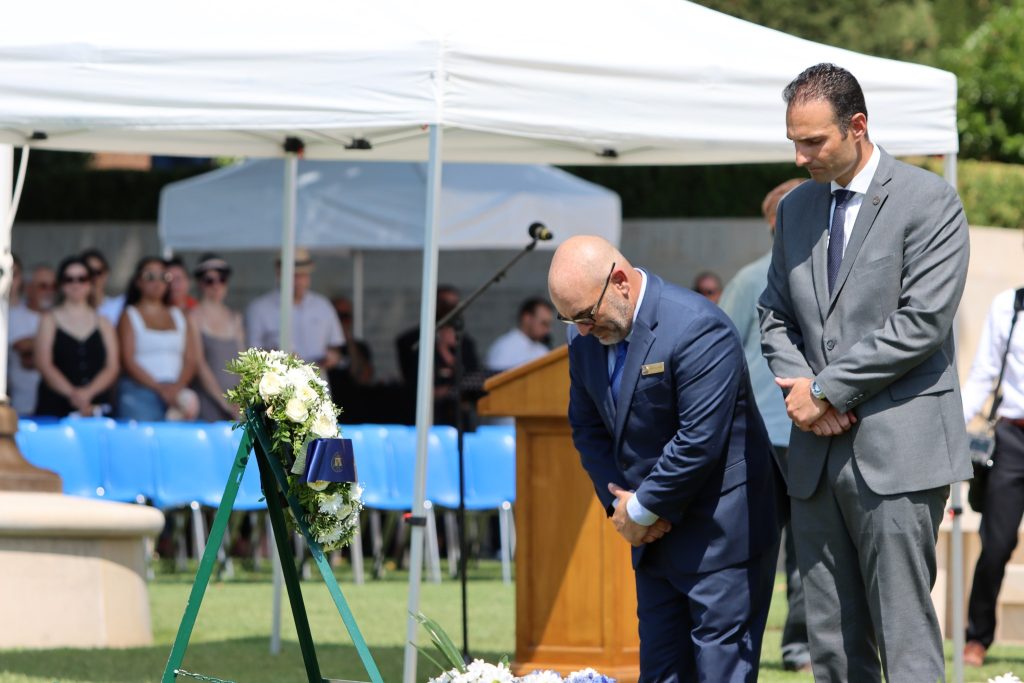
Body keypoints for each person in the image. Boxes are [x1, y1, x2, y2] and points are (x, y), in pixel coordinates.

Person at [758, 63, 971, 682]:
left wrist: (823, 390)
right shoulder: (797, 209)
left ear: (857, 126)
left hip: (900, 456)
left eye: (813, 141)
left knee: (904, 638)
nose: (800, 157)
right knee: (831, 645)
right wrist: (803, 390)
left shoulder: (930, 200)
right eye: (793, 141)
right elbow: (773, 315)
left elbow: (922, 322)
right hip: (817, 461)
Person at [550, 235, 781, 682]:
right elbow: (588, 428)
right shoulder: (583, 341)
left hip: (723, 533)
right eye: (568, 318)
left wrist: (640, 507)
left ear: (619, 282)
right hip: (652, 537)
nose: (580, 329)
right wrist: (623, 507)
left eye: (584, 315)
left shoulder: (697, 326)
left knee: (719, 672)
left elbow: (698, 439)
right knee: (660, 673)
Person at [719, 177, 810, 673]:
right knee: (763, 547)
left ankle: (795, 646)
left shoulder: (814, 273)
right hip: (763, 431)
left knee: (801, 548)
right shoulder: (754, 278)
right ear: (777, 221)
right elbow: (719, 348)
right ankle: (763, 645)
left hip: (805, 428)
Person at [961, 281, 1024, 667]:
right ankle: (977, 638)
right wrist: (952, 429)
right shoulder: (1008, 306)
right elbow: (983, 372)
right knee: (997, 543)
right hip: (1012, 437)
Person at [34, 256, 119, 417]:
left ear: (90, 283)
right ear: (61, 283)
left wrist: (88, 393)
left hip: (97, 407)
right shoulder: (49, 320)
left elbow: (112, 367)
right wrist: (74, 394)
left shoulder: (103, 322)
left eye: (82, 279)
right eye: (69, 279)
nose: (76, 284)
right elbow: (44, 364)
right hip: (56, 407)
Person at [116, 257, 199, 421]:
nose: (157, 282)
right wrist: (160, 389)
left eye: (163, 276)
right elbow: (128, 360)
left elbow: (190, 359)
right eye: (149, 277)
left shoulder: (181, 316)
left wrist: (175, 388)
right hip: (139, 392)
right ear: (138, 282)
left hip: (177, 393)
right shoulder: (129, 314)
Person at [395, 285, 481, 427]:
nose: (452, 310)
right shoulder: (412, 341)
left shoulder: (465, 343)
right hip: (424, 416)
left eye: (456, 305)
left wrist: (447, 353)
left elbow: (471, 378)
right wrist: (438, 345)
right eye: (446, 305)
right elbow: (412, 379)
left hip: (458, 417)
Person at [246, 248, 344, 368]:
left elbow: (336, 345)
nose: (299, 281)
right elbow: (250, 352)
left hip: (316, 379)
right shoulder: (259, 308)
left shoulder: (322, 305)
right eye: (294, 275)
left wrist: (332, 356)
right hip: (276, 381)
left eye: (303, 275)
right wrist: (277, 356)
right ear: (279, 274)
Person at [189, 254, 244, 421]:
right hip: (208, 401)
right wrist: (223, 402)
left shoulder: (235, 318)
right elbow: (199, 364)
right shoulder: (193, 317)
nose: (216, 286)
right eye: (209, 280)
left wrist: (240, 399)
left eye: (222, 279)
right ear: (200, 283)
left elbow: (243, 362)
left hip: (237, 405)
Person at [7, 255, 40, 414]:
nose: (9, 279)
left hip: (24, 401)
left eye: (14, 274)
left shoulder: (32, 314)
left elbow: (26, 353)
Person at [485, 297, 554, 372]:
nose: (547, 330)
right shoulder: (505, 348)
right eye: (543, 323)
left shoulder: (542, 349)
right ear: (527, 318)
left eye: (548, 324)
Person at [331, 295, 374, 384]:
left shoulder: (360, 347)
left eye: (346, 317)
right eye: (339, 316)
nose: (343, 321)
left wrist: (349, 341)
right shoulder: (319, 346)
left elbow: (364, 377)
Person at [81, 248, 125, 325]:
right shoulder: (66, 312)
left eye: (98, 272)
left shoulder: (119, 306)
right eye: (88, 273)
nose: (93, 278)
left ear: (106, 275)